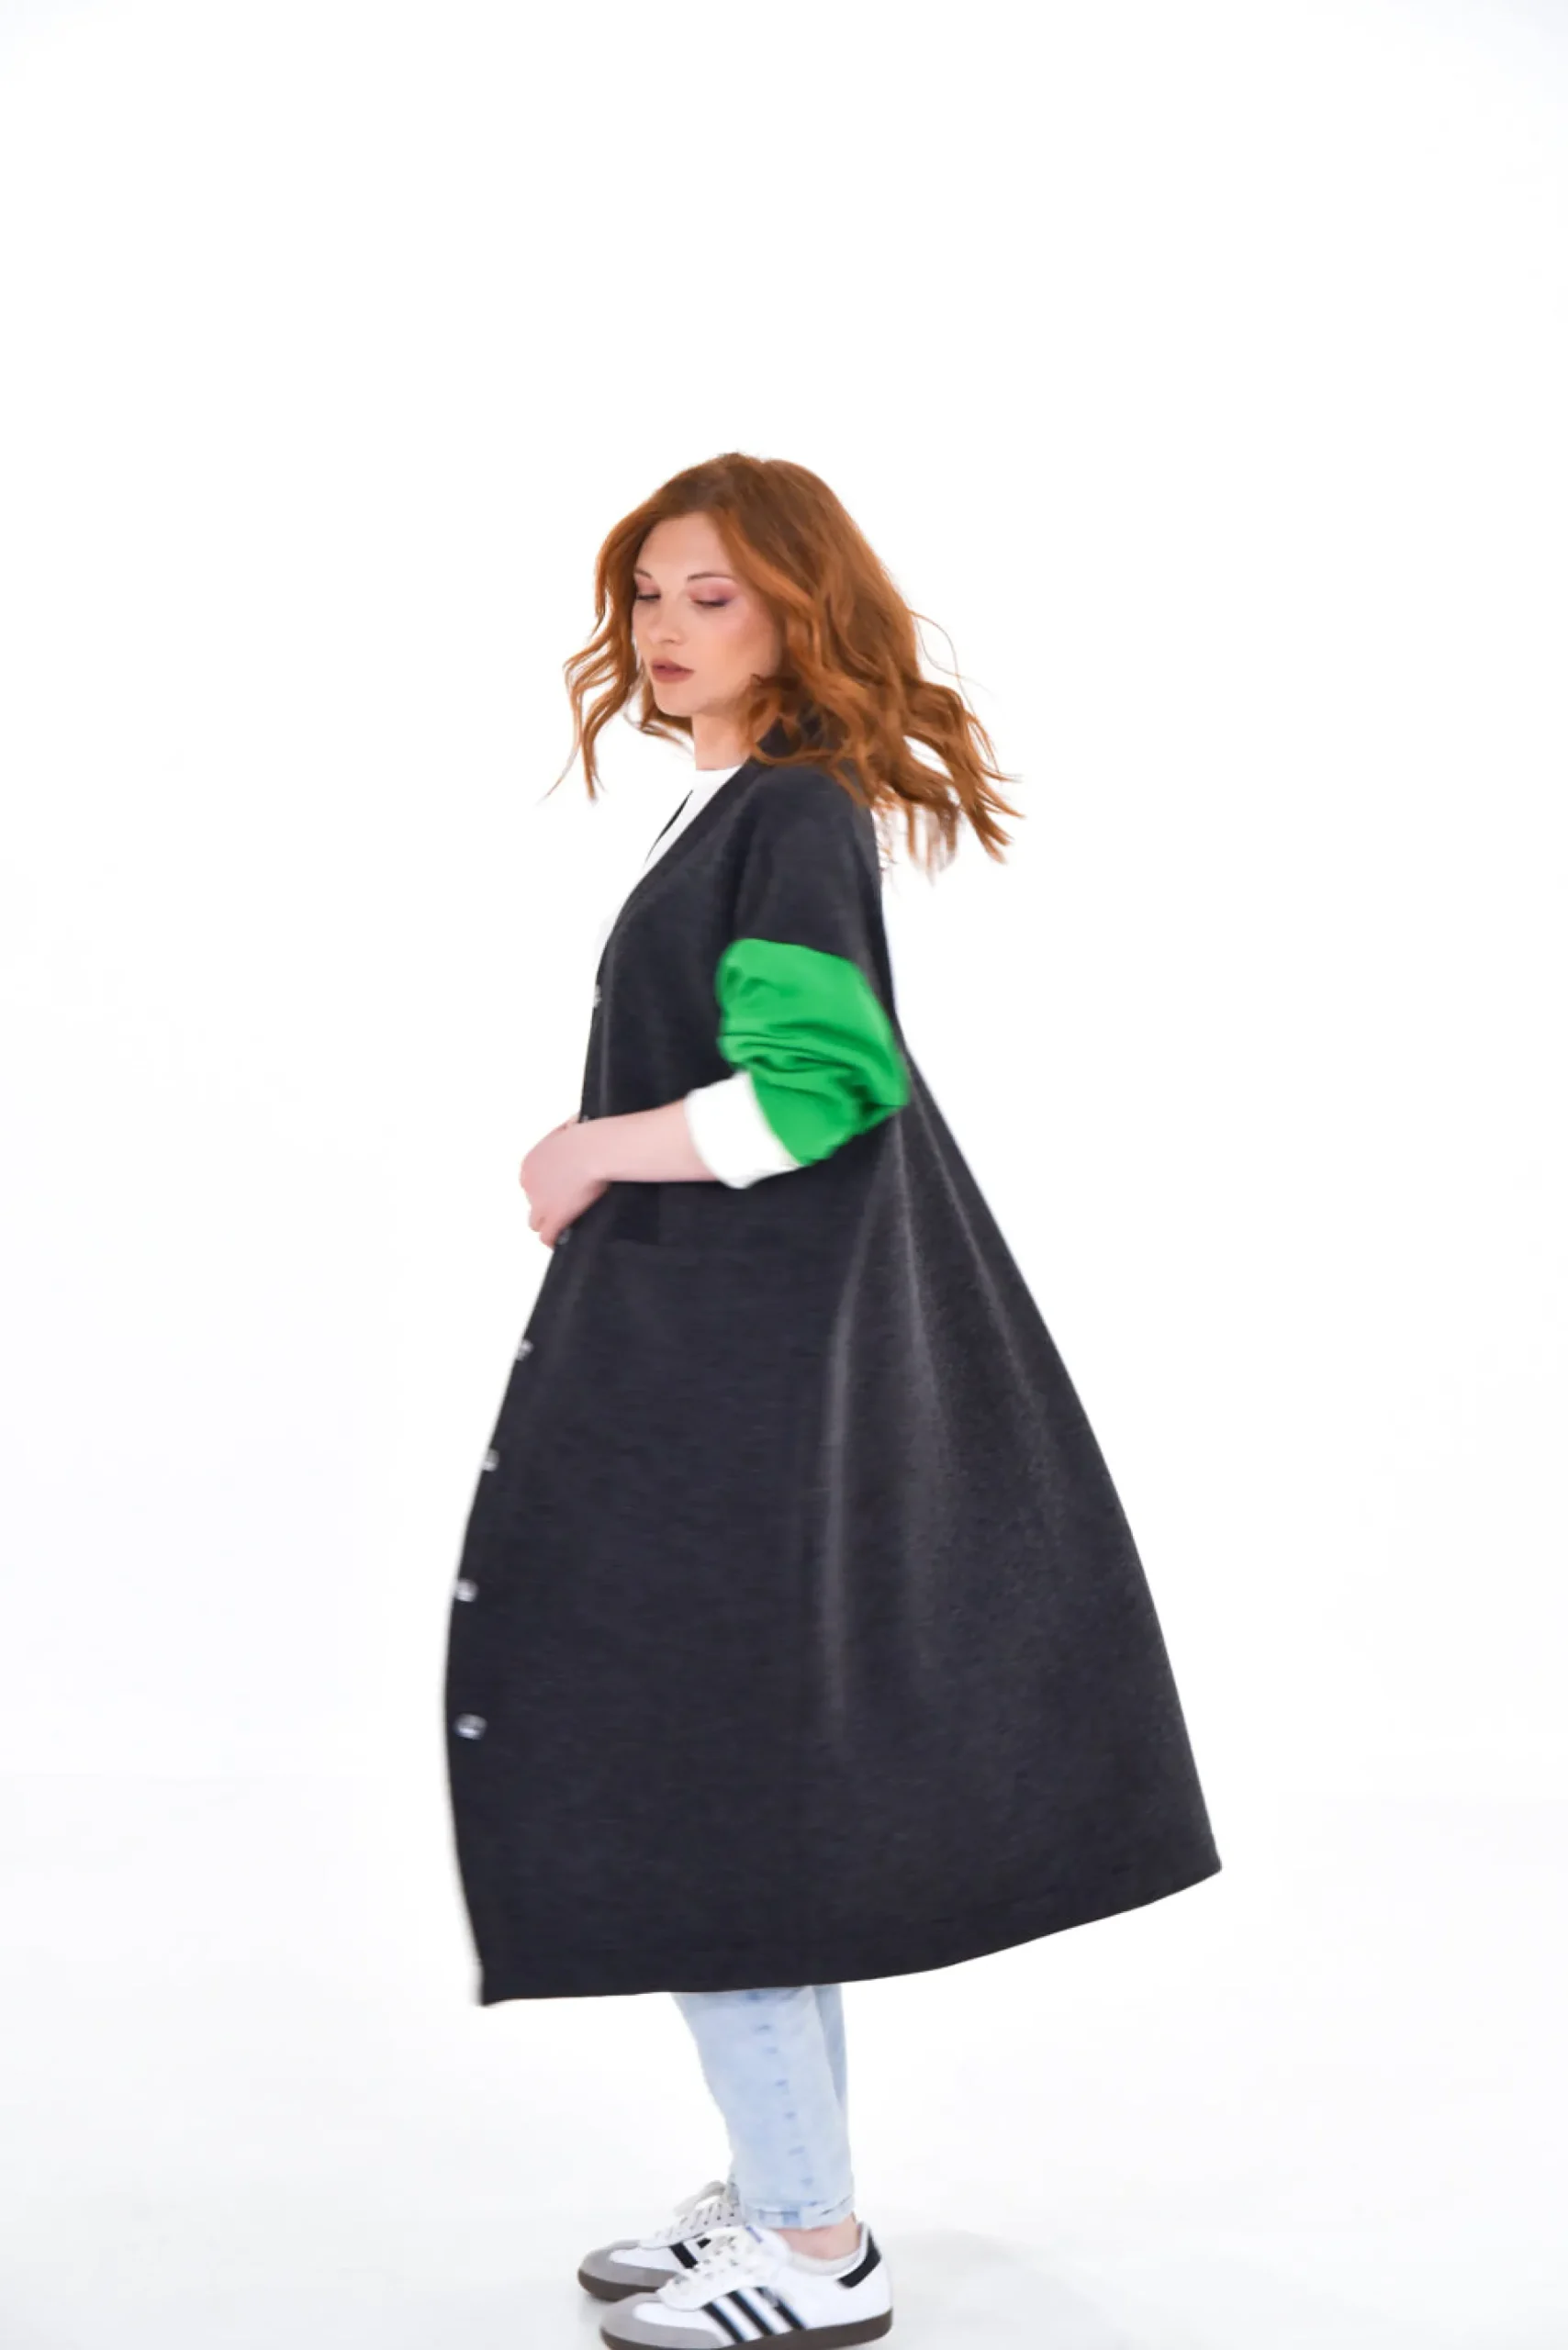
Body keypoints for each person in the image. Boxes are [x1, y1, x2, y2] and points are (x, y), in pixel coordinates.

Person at [442, 454, 1222, 2348]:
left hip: (747, 1400)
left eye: (710, 594)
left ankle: (812, 2244)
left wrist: (588, 1146)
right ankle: (783, 2185)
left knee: (709, 1801)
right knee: (738, 1796)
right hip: (734, 1376)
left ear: (799, 609)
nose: (664, 626)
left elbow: (819, 1088)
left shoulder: (786, 811)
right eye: (646, 592)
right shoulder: (741, 809)